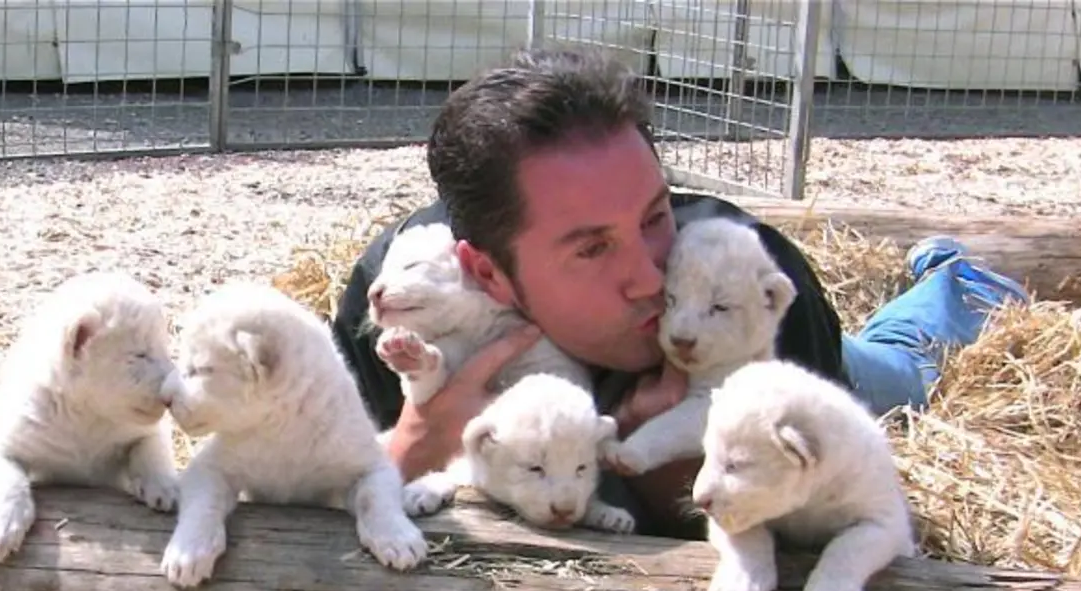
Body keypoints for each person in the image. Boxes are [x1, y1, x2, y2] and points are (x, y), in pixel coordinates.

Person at [330, 48, 1030, 538]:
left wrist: (672, 479)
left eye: (654, 217)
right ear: (487, 275)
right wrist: (414, 445)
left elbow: (814, 522)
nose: (650, 276)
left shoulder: (748, 274)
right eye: (593, 248)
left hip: (846, 367)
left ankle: (959, 285)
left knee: (901, 368)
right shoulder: (395, 301)